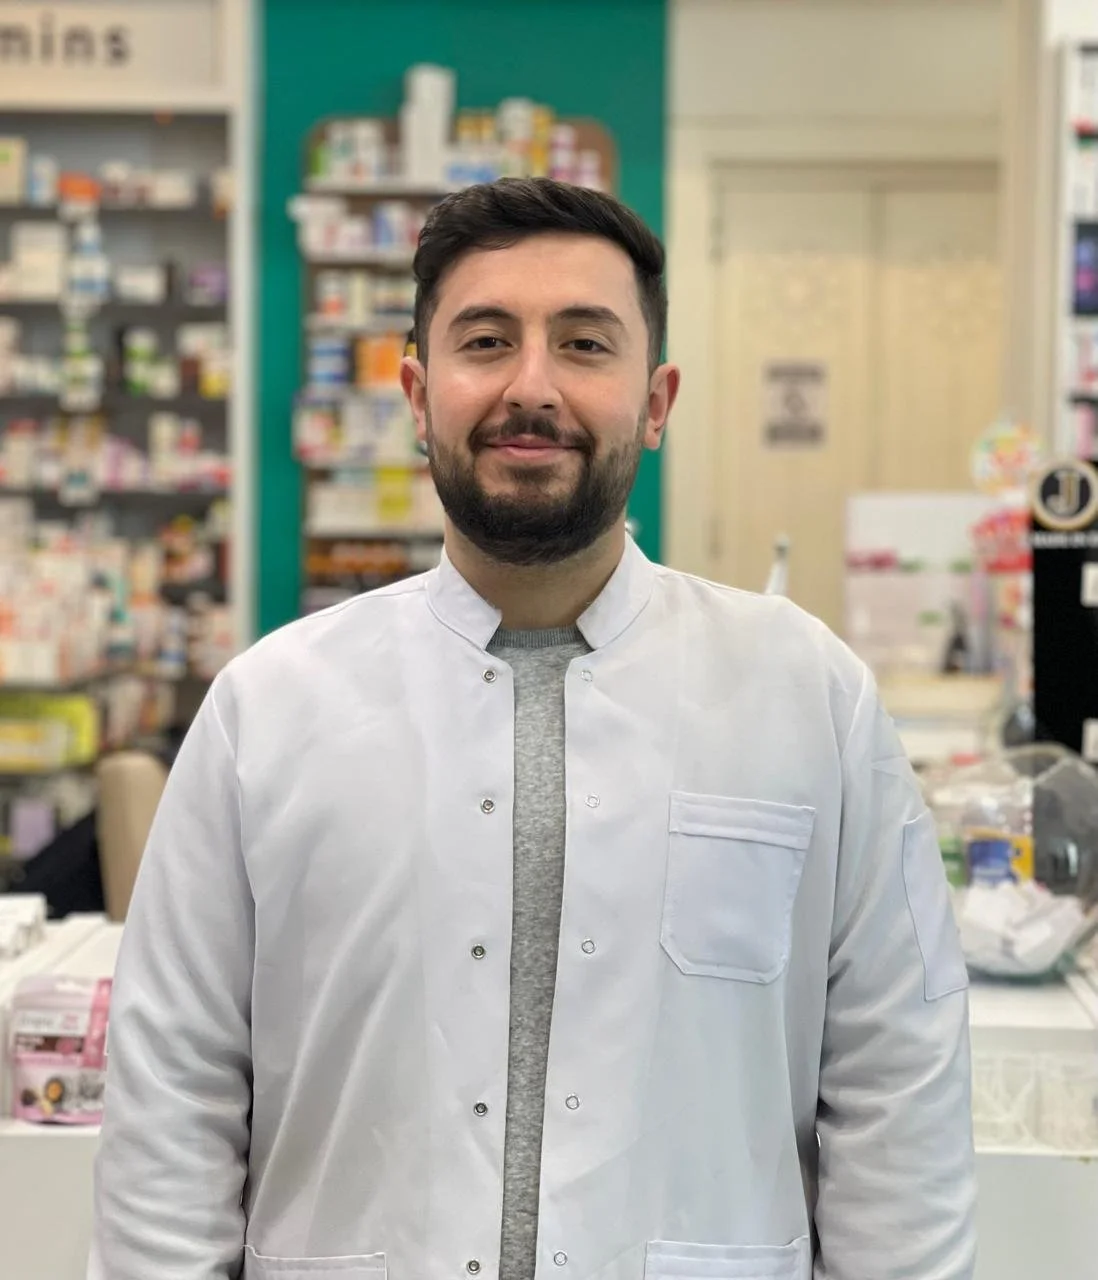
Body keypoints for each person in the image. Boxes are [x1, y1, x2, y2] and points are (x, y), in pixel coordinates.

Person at [89, 178, 975, 1280]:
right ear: (417, 393)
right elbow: (173, 1087)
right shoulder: (269, 707)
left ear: (657, 400)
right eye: (486, 339)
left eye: (586, 343)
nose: (532, 385)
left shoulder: (809, 695)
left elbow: (901, 1083)